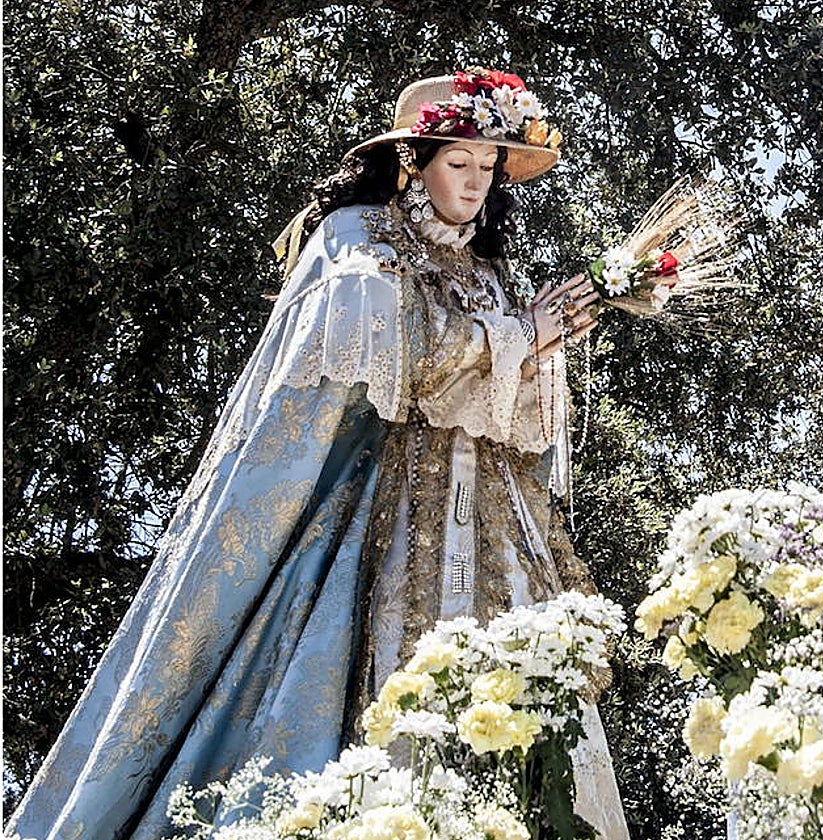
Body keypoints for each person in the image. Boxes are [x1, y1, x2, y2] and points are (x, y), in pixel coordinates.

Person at [7, 69, 630, 840]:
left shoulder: (493, 276)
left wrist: (544, 345)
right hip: (382, 509)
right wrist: (516, 340)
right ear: (416, 161)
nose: (474, 184)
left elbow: (506, 411)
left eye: (488, 168)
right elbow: (395, 355)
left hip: (492, 518)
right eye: (458, 163)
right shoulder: (357, 238)